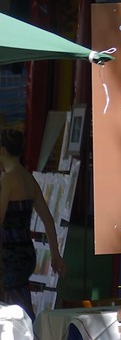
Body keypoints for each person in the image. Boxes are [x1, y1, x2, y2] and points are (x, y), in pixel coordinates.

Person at [0, 130, 65, 316]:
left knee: (12, 311)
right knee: (21, 304)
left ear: (2, 150)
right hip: (26, 253)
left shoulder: (7, 180)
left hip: (8, 256)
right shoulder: (29, 179)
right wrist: (55, 255)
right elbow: (48, 219)